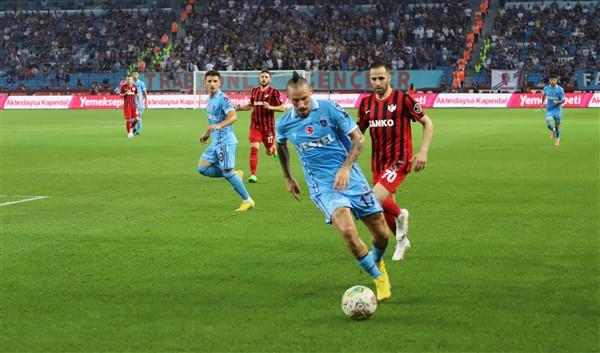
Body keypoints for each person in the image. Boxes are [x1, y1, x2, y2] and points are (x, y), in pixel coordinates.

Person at [275, 72, 392, 301]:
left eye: (304, 99)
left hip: (352, 179)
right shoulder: (285, 123)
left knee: (382, 234)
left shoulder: (330, 109)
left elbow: (359, 139)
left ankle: (376, 260)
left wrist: (346, 167)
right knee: (348, 231)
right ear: (288, 99)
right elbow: (281, 146)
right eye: (295, 101)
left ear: (311, 94)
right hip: (323, 187)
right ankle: (378, 278)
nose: (300, 104)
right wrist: (287, 177)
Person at [357, 61, 434, 261]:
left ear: (389, 77)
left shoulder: (403, 99)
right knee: (383, 207)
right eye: (374, 79)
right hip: (378, 162)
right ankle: (402, 242)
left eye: (381, 78)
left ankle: (401, 215)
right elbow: (359, 132)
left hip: (399, 160)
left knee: (374, 200)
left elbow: (427, 123)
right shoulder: (366, 104)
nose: (377, 82)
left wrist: (423, 151)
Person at [197, 70, 255, 211]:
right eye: (209, 81)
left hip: (226, 142)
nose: (212, 84)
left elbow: (233, 117)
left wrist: (219, 126)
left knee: (228, 173)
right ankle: (235, 175)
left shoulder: (223, 99)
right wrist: (207, 133)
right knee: (202, 168)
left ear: (220, 83)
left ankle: (248, 200)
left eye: (215, 81)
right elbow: (213, 121)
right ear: (205, 83)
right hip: (215, 141)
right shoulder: (210, 99)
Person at [235, 70, 285, 183]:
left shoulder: (274, 92)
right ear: (259, 78)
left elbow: (282, 108)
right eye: (262, 77)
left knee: (268, 152)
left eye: (266, 77)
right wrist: (241, 108)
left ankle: (273, 149)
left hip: (268, 128)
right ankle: (253, 175)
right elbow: (251, 105)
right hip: (255, 126)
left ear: (270, 79)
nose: (264, 79)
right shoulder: (254, 91)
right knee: (254, 149)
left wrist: (271, 107)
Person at [541, 74, 565, 146]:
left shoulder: (560, 89)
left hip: (558, 111)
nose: (552, 81)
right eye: (551, 80)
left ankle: (557, 139)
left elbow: (563, 100)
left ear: (556, 80)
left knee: (557, 126)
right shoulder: (546, 88)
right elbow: (544, 95)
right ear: (549, 80)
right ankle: (553, 130)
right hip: (550, 110)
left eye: (554, 80)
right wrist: (542, 104)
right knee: (548, 123)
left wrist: (557, 102)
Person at [132, 72, 148, 136]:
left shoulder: (141, 83)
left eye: (136, 75)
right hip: (132, 102)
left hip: (140, 103)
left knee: (138, 117)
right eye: (133, 75)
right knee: (132, 117)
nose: (134, 76)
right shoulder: (131, 83)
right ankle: (135, 128)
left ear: (138, 76)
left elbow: (145, 94)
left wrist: (146, 102)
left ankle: (138, 131)